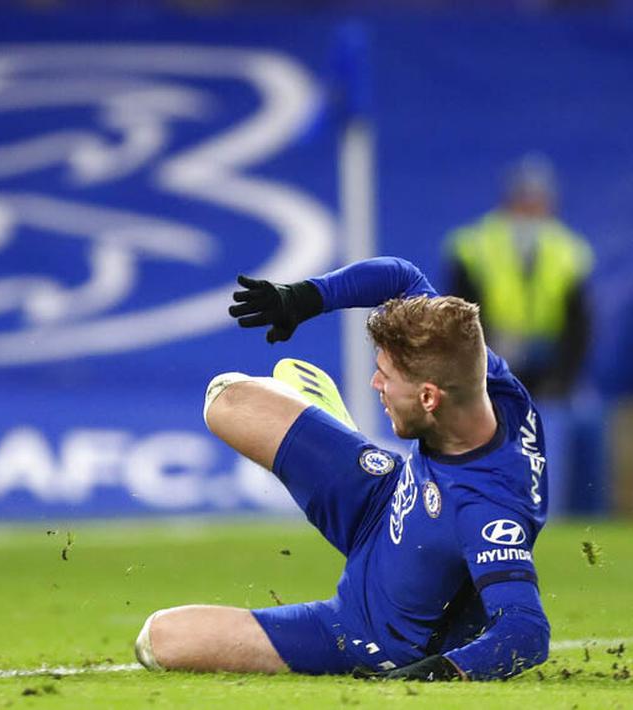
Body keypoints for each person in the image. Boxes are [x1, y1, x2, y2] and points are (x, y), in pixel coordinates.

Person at [133, 257, 550, 681]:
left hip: (365, 631)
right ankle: (352, 442)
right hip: (382, 499)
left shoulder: (488, 510)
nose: (375, 384)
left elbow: (525, 632)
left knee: (159, 639)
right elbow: (402, 276)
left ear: (428, 398)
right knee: (227, 398)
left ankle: (342, 437)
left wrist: (428, 674)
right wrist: (303, 297)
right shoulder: (476, 372)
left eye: (385, 377)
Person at [446, 154, 593, 399]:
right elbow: (458, 319)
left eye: (536, 204)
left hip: (548, 364)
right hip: (489, 359)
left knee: (581, 412)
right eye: (523, 203)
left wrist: (561, 380)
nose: (529, 212)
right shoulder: (474, 248)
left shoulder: (569, 253)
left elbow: (580, 328)